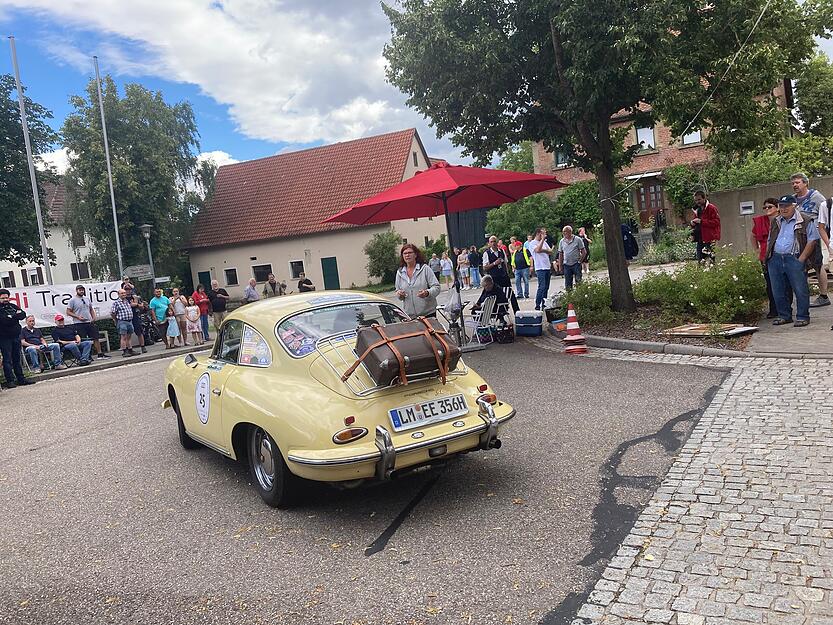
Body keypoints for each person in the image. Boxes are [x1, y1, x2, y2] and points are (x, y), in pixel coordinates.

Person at [766, 195, 819, 327]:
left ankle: (802, 316)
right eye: (781, 206)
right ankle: (784, 315)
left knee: (800, 289)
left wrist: (801, 259)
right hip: (776, 258)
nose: (783, 209)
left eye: (786, 206)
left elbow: (812, 240)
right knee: (778, 289)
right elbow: (770, 239)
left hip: (794, 257)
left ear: (794, 206)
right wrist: (769, 256)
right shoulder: (776, 221)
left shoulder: (805, 220)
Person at [791, 172, 830, 307]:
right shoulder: (792, 200)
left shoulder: (816, 197)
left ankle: (824, 296)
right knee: (801, 266)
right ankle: (803, 297)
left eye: (798, 182)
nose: (795, 185)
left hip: (812, 235)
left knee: (817, 264)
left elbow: (826, 214)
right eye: (793, 183)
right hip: (796, 237)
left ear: (806, 183)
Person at [752, 198, 783, 319]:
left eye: (770, 207)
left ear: (777, 208)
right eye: (765, 207)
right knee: (770, 284)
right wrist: (757, 250)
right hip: (765, 255)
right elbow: (753, 236)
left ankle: (785, 308)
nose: (767, 209)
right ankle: (773, 309)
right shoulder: (760, 221)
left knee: (784, 283)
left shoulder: (782, 220)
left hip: (780, 253)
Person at [395, 243, 441, 318]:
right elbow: (397, 291)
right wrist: (400, 294)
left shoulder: (425, 269)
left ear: (415, 255)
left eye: (410, 253)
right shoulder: (400, 272)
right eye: (405, 253)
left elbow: (437, 287)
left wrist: (427, 293)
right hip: (410, 316)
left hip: (428, 314)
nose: (407, 255)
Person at [0, 289, 34, 387]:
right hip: (4, 338)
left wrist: (12, 316)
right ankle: (10, 381)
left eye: (6, 297)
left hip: (16, 336)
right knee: (7, 359)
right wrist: (15, 316)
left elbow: (23, 314)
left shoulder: (13, 306)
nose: (5, 299)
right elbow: (4, 320)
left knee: (17, 359)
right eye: (2, 298)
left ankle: (21, 379)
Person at [65, 284, 109, 360]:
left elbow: (91, 309)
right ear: (77, 291)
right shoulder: (73, 300)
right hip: (79, 323)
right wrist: (78, 317)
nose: (81, 291)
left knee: (96, 337)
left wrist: (94, 317)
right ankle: (87, 356)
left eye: (82, 290)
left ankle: (100, 354)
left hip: (89, 322)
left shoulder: (87, 299)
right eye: (80, 290)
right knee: (83, 340)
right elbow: (68, 312)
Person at [691, 190, 721, 264]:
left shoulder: (711, 208)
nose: (697, 202)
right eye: (696, 200)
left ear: (704, 198)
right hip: (700, 238)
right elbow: (697, 223)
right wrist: (693, 223)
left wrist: (701, 221)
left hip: (710, 238)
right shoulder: (697, 210)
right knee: (700, 261)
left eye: (699, 199)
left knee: (712, 260)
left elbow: (716, 222)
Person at [530, 228, 553, 311]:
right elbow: (537, 250)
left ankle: (544, 303)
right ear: (538, 234)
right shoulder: (532, 243)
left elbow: (550, 251)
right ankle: (537, 304)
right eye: (543, 234)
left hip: (547, 266)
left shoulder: (545, 243)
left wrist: (544, 249)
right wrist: (542, 241)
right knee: (542, 286)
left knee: (546, 287)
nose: (545, 235)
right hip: (540, 267)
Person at [558, 226, 586, 291]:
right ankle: (569, 297)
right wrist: (560, 266)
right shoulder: (562, 241)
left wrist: (580, 261)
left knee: (578, 281)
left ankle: (580, 295)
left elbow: (584, 251)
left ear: (570, 232)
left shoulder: (578, 239)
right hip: (566, 264)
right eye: (563, 232)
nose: (564, 234)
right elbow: (560, 254)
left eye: (566, 232)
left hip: (576, 263)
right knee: (568, 283)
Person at [109, 289, 136, 357]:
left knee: (129, 337)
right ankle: (124, 351)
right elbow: (112, 313)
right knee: (123, 337)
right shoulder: (116, 303)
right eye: (122, 293)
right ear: (118, 294)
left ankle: (130, 349)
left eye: (124, 293)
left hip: (129, 321)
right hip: (122, 321)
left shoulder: (127, 301)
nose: (124, 294)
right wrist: (116, 320)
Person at [125, 283, 147, 353]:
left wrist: (136, 304)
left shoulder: (135, 297)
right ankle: (129, 348)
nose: (127, 291)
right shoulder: (123, 298)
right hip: (127, 317)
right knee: (128, 334)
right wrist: (132, 305)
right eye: (126, 289)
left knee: (139, 332)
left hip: (135, 316)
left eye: (129, 289)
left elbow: (142, 307)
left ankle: (143, 346)